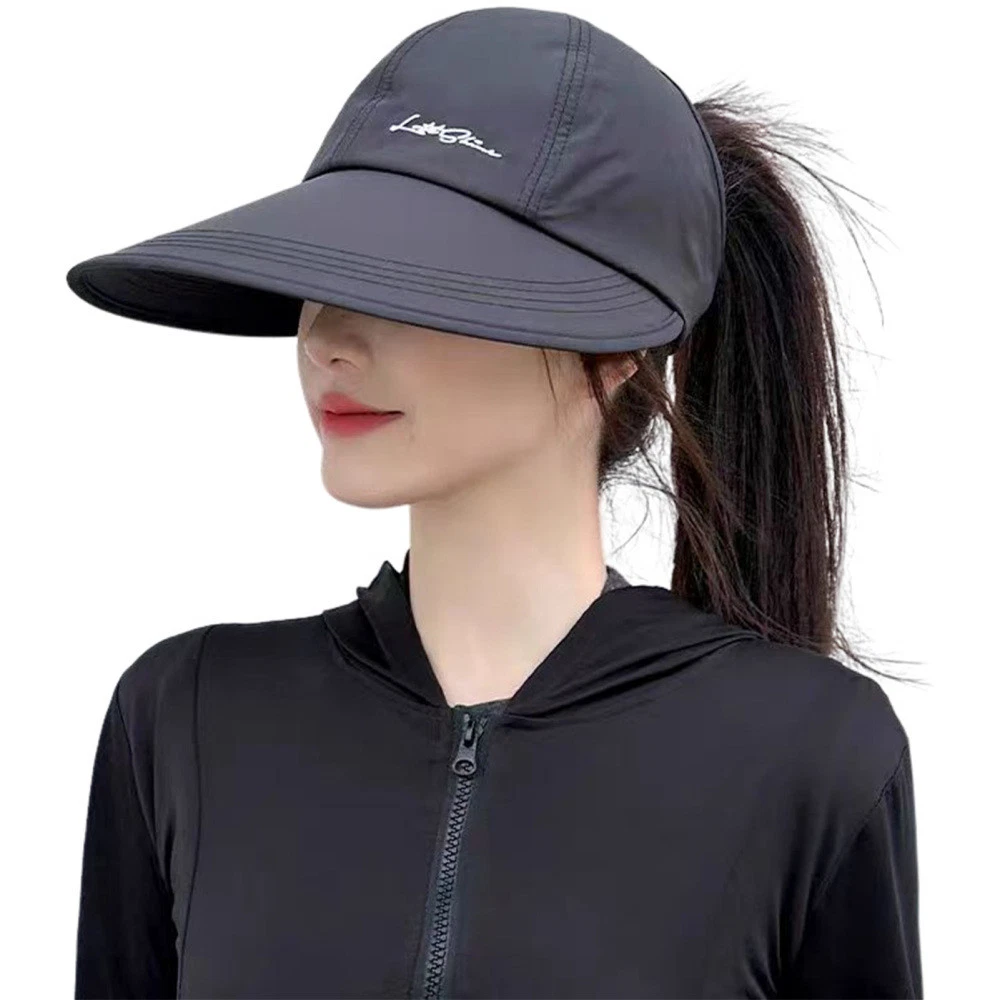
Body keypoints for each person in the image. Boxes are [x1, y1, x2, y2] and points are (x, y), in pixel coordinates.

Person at [66, 7, 923, 999]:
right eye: (321, 276)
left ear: (615, 350)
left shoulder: (809, 753)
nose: (328, 339)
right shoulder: (186, 718)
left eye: (408, 284)